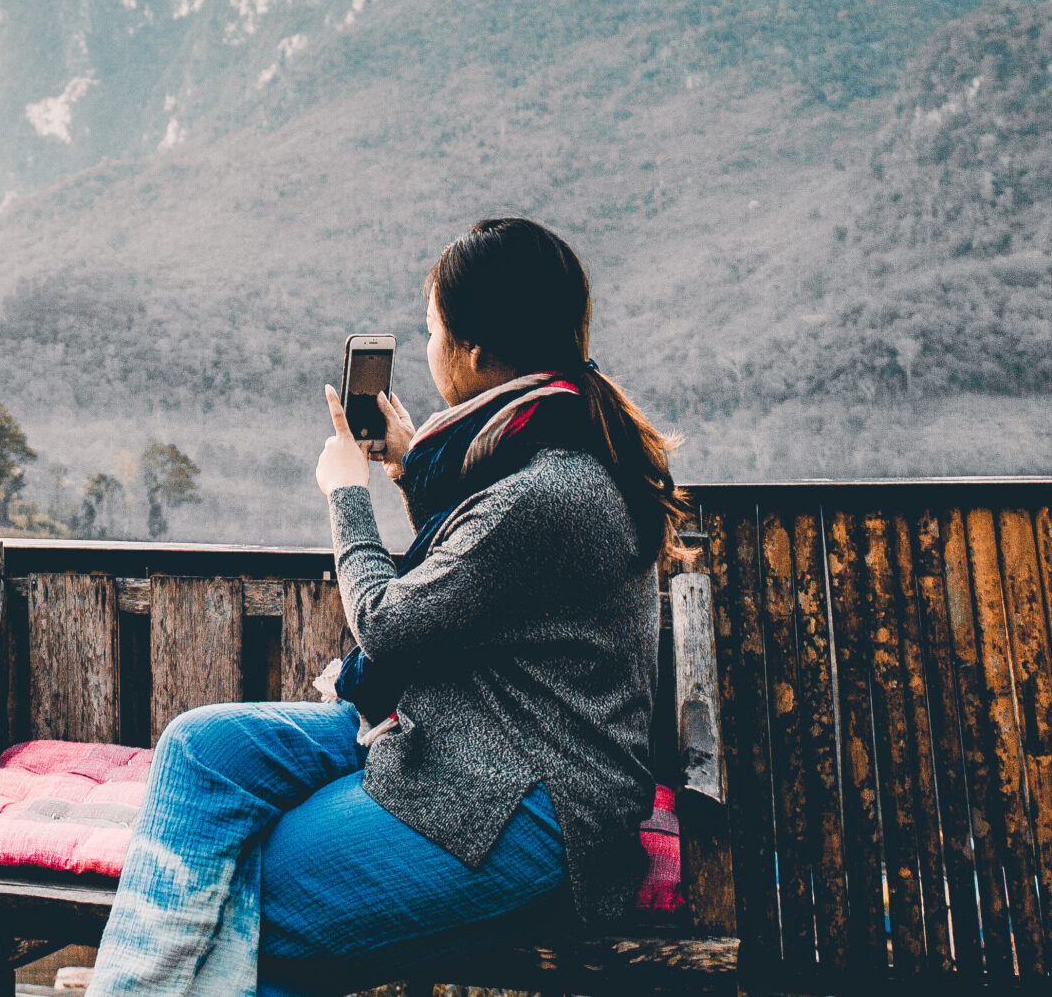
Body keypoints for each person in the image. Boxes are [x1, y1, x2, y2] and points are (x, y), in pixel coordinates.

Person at [85, 217, 686, 997]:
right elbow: (473, 571)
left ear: (470, 353)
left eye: (434, 328)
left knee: (246, 894)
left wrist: (347, 494)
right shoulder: (540, 449)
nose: (429, 345)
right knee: (203, 748)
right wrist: (409, 468)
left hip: (526, 803)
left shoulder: (547, 489)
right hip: (456, 735)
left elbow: (391, 624)